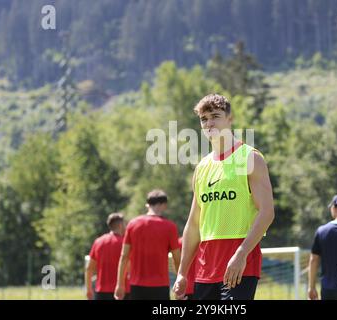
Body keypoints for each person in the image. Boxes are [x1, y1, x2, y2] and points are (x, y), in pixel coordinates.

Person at [173, 94, 275, 300]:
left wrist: (241, 253)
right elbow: (194, 224)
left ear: (230, 119)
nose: (209, 123)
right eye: (204, 119)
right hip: (205, 267)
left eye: (215, 116)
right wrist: (182, 273)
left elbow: (267, 213)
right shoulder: (202, 168)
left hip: (239, 265)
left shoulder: (250, 158)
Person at [114, 189, 181, 300]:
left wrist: (120, 284)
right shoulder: (170, 227)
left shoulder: (132, 224)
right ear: (163, 205)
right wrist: (180, 283)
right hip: (160, 285)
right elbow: (177, 259)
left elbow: (124, 256)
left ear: (147, 205)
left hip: (136, 285)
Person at [85, 213, 129, 300]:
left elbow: (89, 268)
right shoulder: (125, 244)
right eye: (124, 224)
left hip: (101, 291)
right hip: (123, 291)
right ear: (120, 225)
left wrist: (89, 289)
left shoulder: (98, 242)